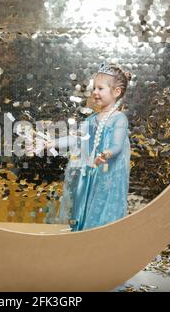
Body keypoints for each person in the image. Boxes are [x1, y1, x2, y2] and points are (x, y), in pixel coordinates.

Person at [42, 63, 132, 231]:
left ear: (116, 92)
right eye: (94, 88)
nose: (95, 93)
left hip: (107, 176)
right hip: (90, 174)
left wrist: (106, 154)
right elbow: (76, 139)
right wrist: (53, 143)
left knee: (102, 207)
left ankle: (102, 237)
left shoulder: (119, 119)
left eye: (100, 88)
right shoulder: (92, 119)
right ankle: (84, 234)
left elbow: (117, 145)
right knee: (85, 204)